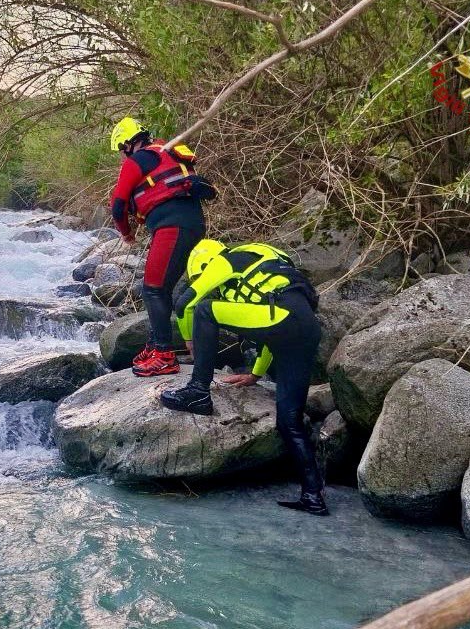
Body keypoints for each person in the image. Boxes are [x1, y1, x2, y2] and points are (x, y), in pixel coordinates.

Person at [160, 239, 329, 516]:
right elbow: (270, 331)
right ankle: (313, 496)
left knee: (205, 309)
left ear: (204, 265)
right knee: (289, 421)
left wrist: (190, 338)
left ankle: (198, 392)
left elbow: (185, 303)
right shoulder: (269, 260)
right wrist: (255, 374)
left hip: (282, 318)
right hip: (305, 328)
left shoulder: (225, 260)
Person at [108, 117, 210, 377]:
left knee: (152, 289)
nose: (121, 156)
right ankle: (155, 345)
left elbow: (118, 205)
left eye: (121, 149)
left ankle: (164, 355)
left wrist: (126, 234)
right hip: (191, 224)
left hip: (172, 226)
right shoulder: (167, 153)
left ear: (128, 144)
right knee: (161, 288)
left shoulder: (136, 161)